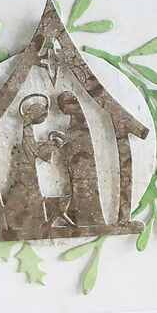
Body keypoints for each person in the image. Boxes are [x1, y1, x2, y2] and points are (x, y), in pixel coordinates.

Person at [4, 94, 62, 230]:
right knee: (27, 192)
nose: (42, 119)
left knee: (29, 192)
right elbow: (33, 149)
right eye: (41, 116)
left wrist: (48, 145)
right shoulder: (26, 129)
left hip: (27, 167)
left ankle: (28, 221)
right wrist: (51, 145)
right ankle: (24, 222)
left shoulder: (27, 128)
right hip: (25, 168)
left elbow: (33, 147)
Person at [56, 91, 105, 226]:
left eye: (62, 106)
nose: (62, 110)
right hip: (77, 164)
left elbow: (78, 140)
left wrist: (62, 138)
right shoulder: (75, 121)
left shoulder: (80, 123)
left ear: (71, 104)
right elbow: (71, 141)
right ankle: (78, 218)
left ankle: (88, 219)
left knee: (84, 190)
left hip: (83, 165)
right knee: (77, 190)